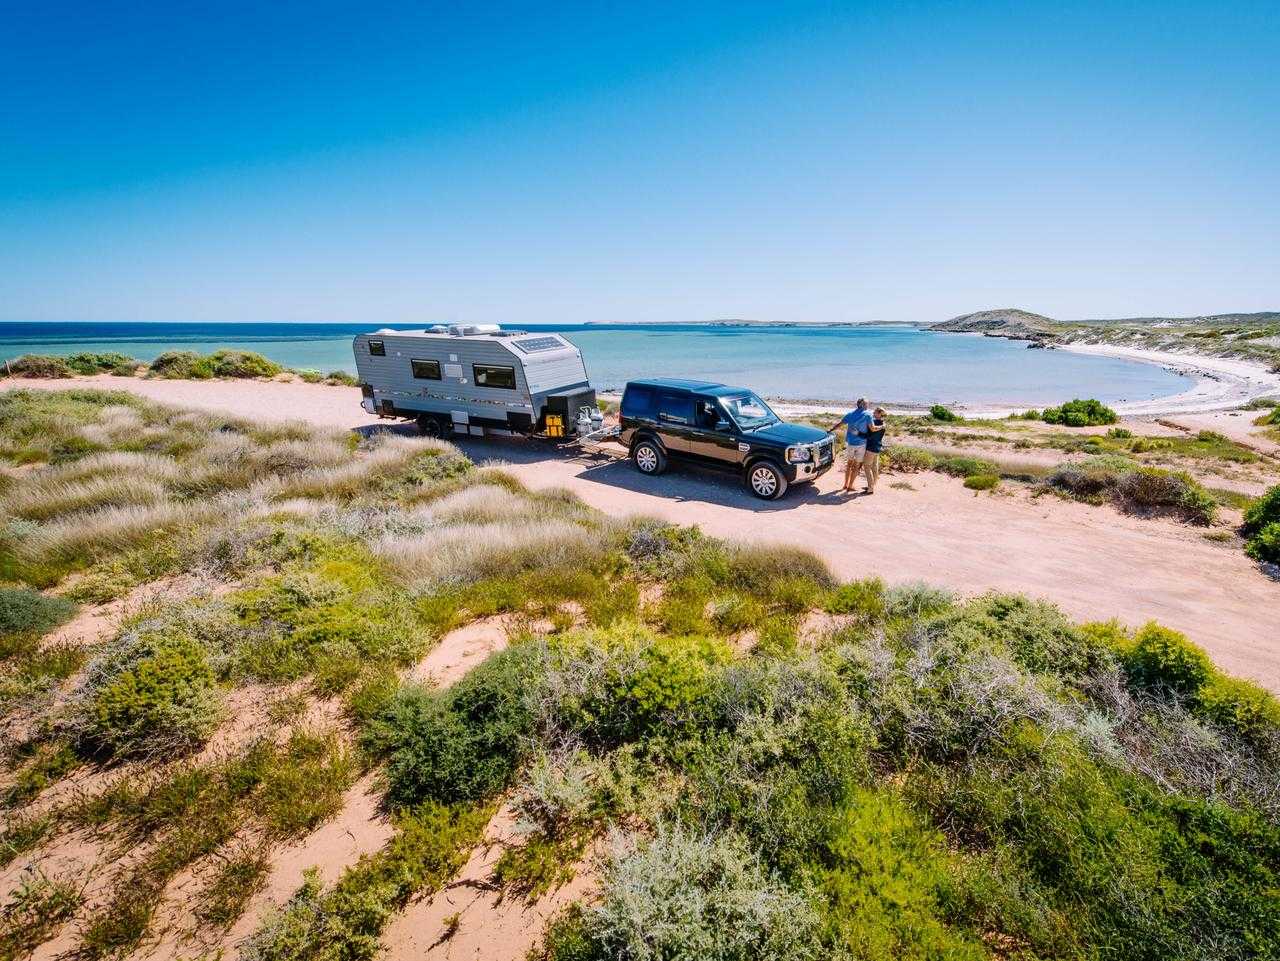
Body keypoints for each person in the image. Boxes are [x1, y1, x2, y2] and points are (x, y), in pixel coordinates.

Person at [829, 398, 875, 493]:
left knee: (849, 464)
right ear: (862, 405)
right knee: (856, 465)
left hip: (850, 443)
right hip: (861, 444)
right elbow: (873, 428)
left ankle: (845, 484)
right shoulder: (868, 415)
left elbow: (840, 424)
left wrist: (830, 430)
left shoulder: (850, 414)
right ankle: (850, 485)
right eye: (867, 404)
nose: (868, 405)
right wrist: (882, 426)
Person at [862, 407, 886, 493]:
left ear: (879, 413)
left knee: (867, 467)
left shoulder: (874, 423)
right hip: (877, 447)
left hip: (871, 447)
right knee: (874, 466)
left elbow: (869, 433)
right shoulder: (883, 423)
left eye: (875, 411)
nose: (873, 412)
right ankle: (873, 484)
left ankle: (870, 488)